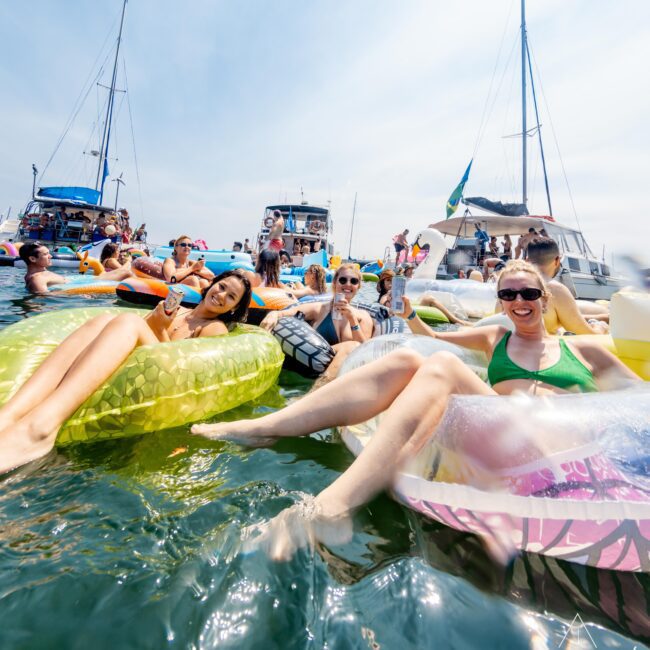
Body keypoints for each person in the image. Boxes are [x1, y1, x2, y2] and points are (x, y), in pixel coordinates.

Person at [192, 260, 640, 558]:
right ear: (500, 302)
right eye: (508, 295)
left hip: (562, 455)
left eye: (528, 292)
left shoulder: (583, 350)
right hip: (501, 444)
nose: (519, 302)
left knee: (441, 368)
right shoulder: (495, 340)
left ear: (545, 298)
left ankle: (332, 507)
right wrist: (410, 313)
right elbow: (435, 340)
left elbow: (637, 404)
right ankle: (264, 426)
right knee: (411, 359)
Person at [0, 271, 252, 473]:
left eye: (231, 297)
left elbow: (183, 369)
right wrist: (157, 321)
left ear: (233, 308)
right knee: (101, 322)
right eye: (222, 287)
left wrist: (160, 328)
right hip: (152, 354)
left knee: (130, 322)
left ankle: (42, 427)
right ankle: (11, 414)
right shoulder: (181, 311)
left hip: (165, 377)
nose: (222, 295)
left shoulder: (214, 328)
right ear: (211, 285)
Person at [257, 264, 374, 382]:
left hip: (342, 376)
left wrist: (352, 319)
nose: (348, 284)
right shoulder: (320, 309)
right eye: (343, 280)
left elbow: (365, 351)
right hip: (309, 369)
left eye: (353, 281)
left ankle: (318, 389)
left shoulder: (363, 316)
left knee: (352, 346)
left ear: (358, 286)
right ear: (334, 283)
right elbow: (287, 312)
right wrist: (274, 314)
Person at [525, 237, 609, 334]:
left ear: (527, 261)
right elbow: (586, 334)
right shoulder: (555, 289)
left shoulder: (507, 286)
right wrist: (601, 327)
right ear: (557, 260)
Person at [20, 242, 132, 293]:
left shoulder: (42, 273)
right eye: (45, 254)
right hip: (80, 285)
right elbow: (43, 297)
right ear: (33, 259)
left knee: (125, 272)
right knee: (125, 273)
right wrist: (79, 293)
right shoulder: (37, 278)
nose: (50, 256)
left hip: (80, 281)